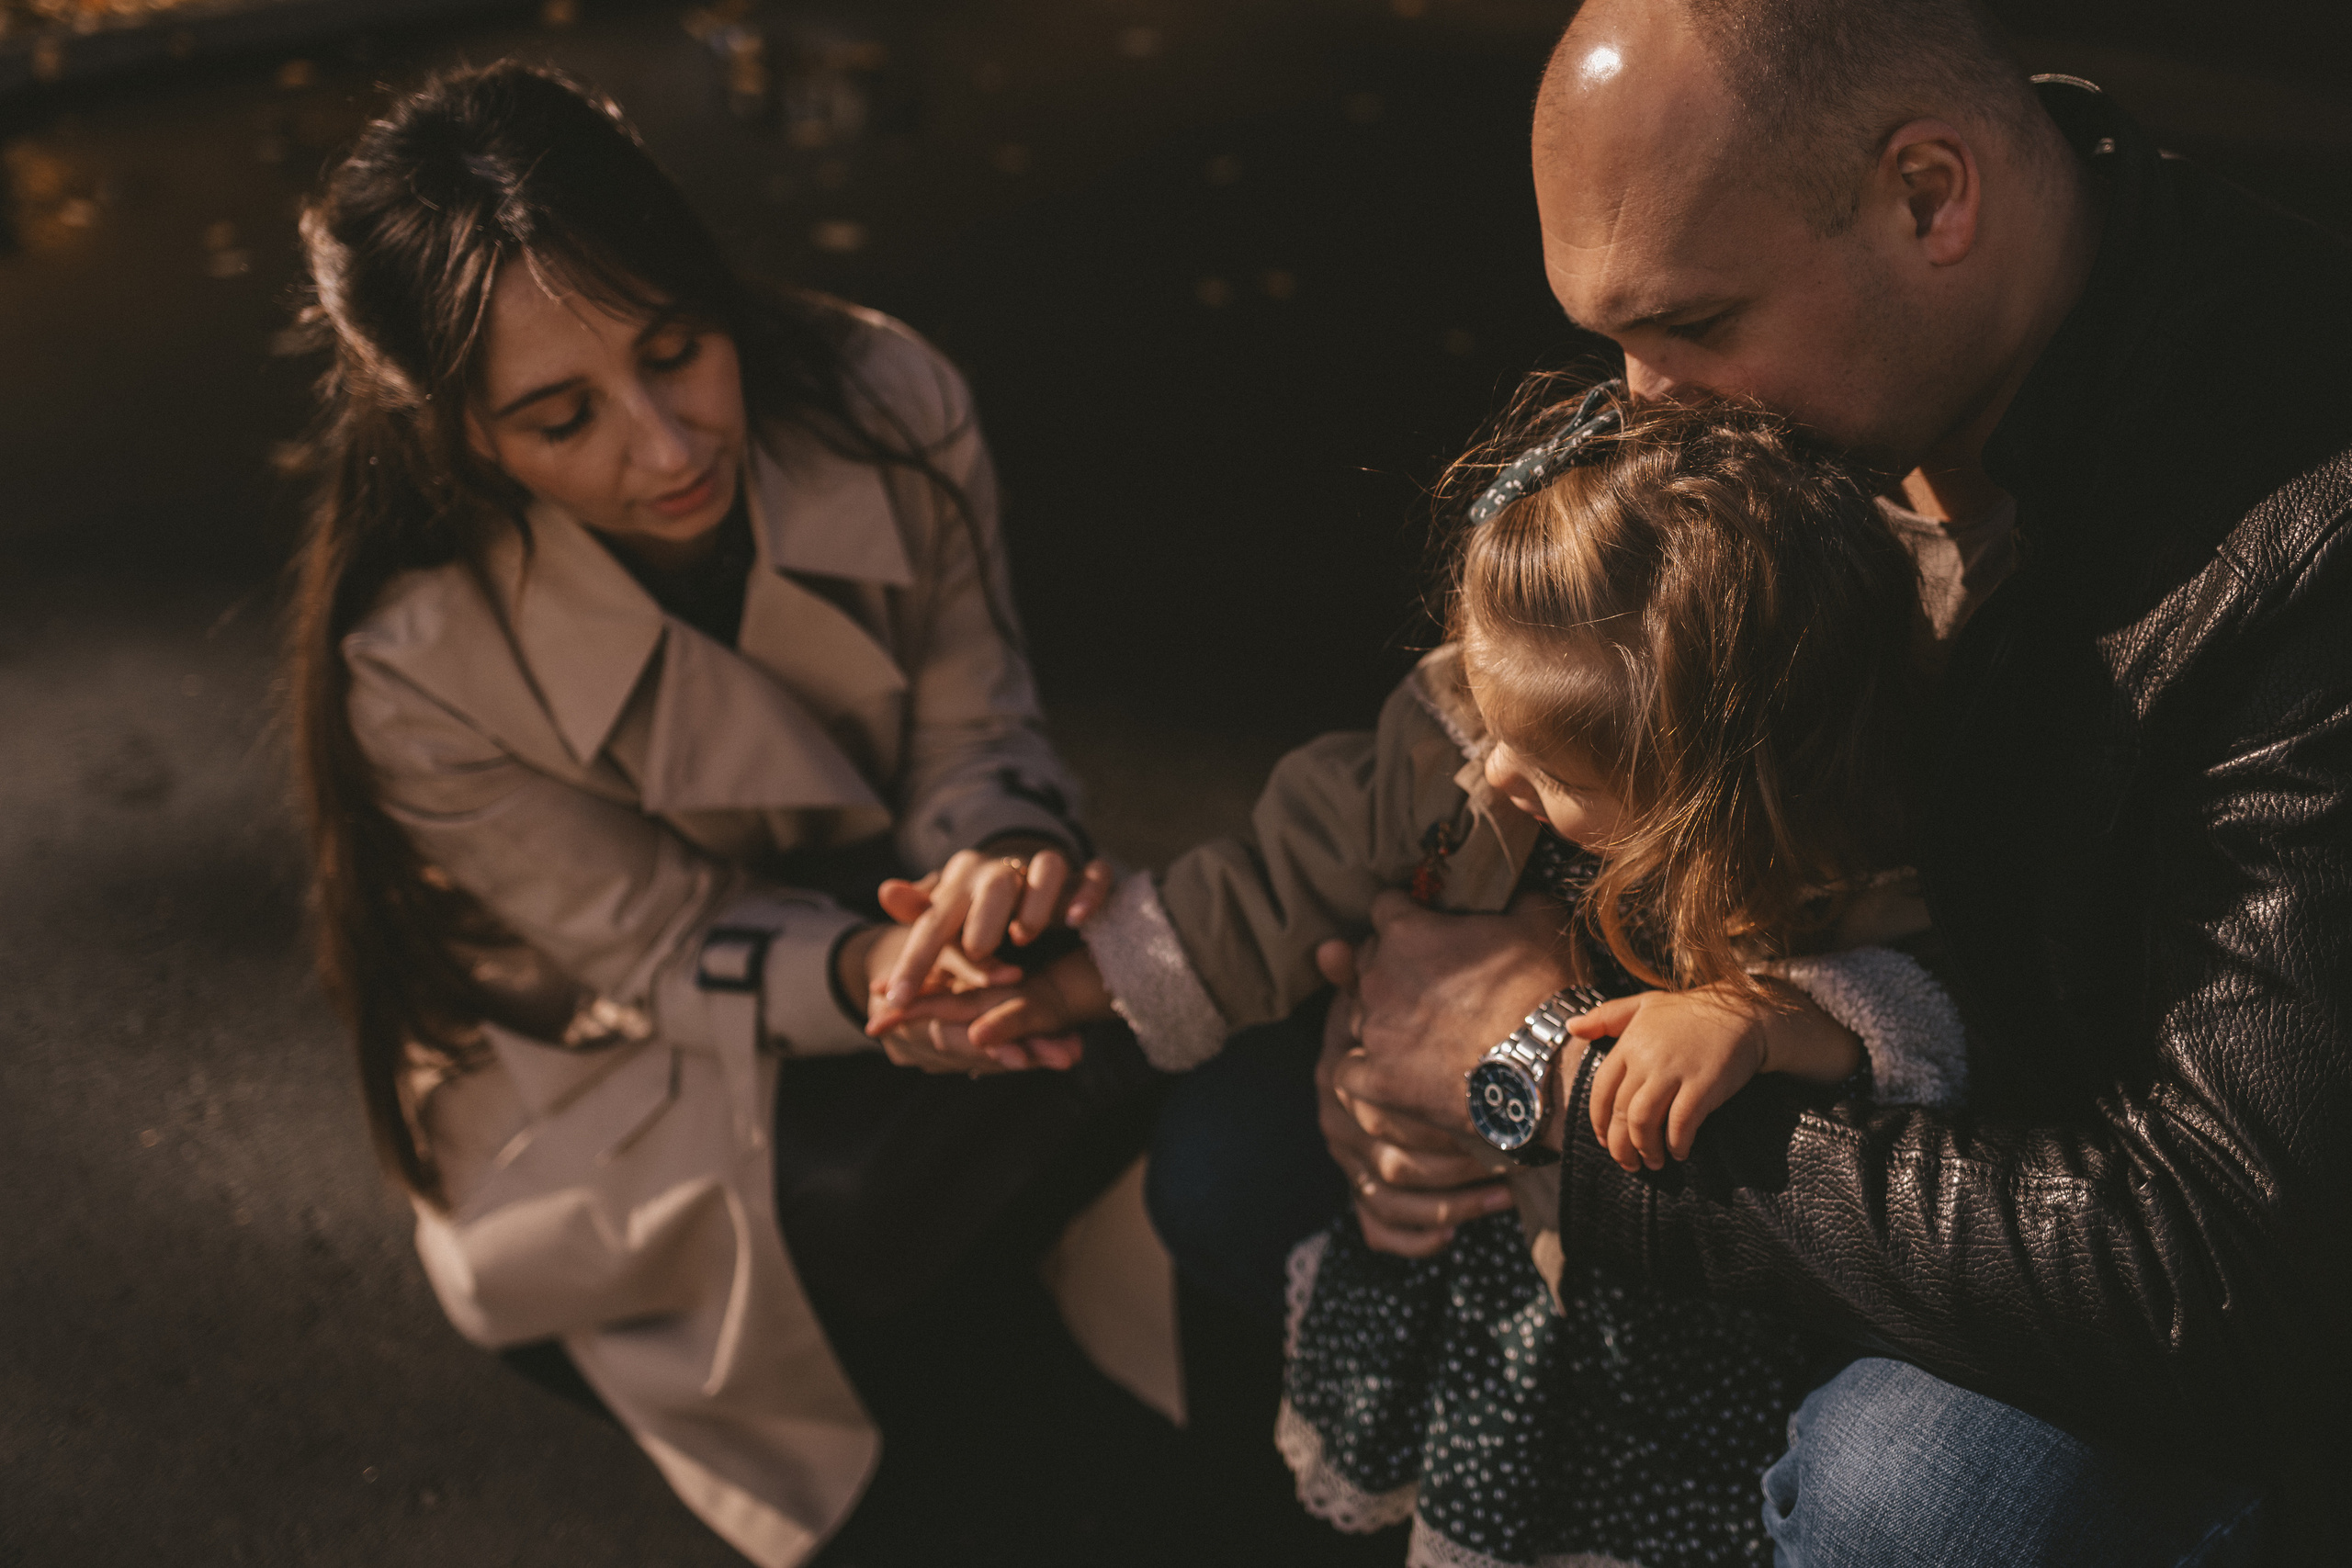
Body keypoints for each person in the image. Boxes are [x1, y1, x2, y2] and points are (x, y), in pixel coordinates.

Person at [1280, 0, 2352, 1561]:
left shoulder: (2299, 545)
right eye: (1613, 338)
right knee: (1239, 1156)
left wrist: (1540, 1092)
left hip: (2154, 1247)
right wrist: (1436, 1012)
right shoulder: (1789, 386)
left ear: (1932, 195)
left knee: (1921, 1499)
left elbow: (2215, 1271)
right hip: (1860, 1103)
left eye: (1694, 327)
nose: (1638, 406)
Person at [283, 62, 1179, 1568]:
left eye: (676, 347)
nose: (666, 442)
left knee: (1140, 1014)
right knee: (899, 1187)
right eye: (562, 416)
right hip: (606, 1057)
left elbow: (976, 716)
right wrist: (875, 979)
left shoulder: (886, 396)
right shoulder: (412, 659)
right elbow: (655, 945)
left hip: (892, 916)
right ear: (458, 433)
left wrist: (1001, 857)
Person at [880, 385, 1973, 1567]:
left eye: (1546, 767)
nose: (1494, 772)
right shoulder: (1459, 748)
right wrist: (1072, 984)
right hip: (1495, 1267)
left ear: (1701, 799)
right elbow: (1276, 876)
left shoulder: (1823, 881)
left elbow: (1912, 1025)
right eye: (1487, 718)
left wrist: (1751, 1019)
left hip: (1678, 1320)